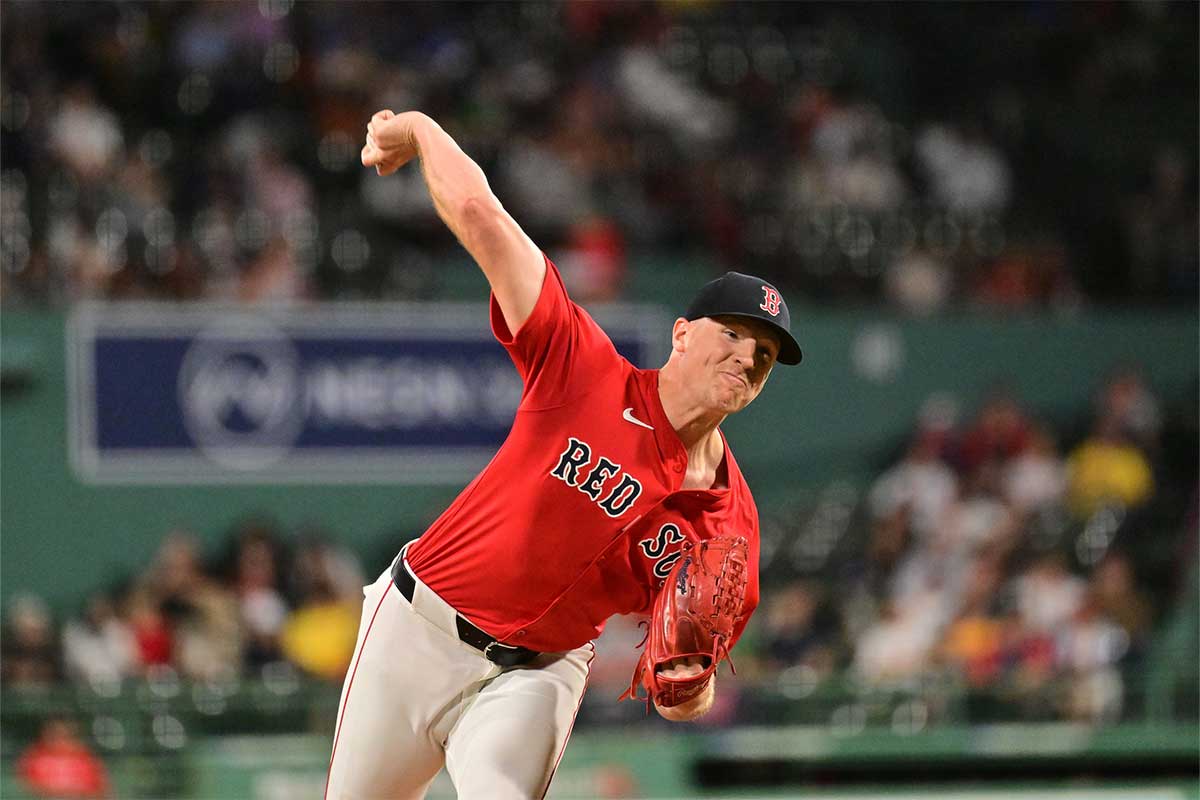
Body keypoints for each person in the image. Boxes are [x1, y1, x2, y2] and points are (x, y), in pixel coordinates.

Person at [323, 109, 804, 800]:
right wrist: (425, 130)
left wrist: (684, 690)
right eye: (732, 333)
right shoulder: (585, 372)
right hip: (417, 629)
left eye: (764, 355)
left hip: (539, 672)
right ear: (680, 334)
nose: (747, 357)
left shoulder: (728, 526)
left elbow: (685, 695)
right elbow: (485, 221)